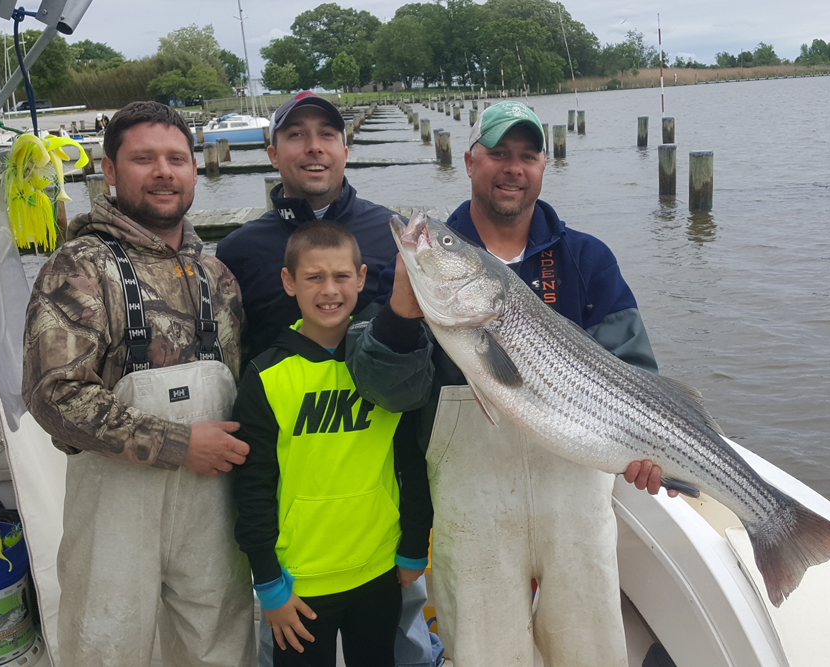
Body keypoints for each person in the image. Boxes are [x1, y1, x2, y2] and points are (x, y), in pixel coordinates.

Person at [346, 101, 675, 667]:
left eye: (527, 155)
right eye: (498, 153)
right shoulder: (414, 269)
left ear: (544, 167)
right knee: (483, 651)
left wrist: (645, 451)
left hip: (575, 483)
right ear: (470, 162)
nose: (512, 167)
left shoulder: (586, 259)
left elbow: (636, 371)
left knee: (589, 647)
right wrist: (401, 313)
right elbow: (388, 395)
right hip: (468, 494)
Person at [22, 101, 255, 666]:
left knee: (219, 646)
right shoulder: (77, 267)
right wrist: (179, 444)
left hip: (212, 508)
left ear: (194, 170)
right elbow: (54, 396)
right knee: (106, 646)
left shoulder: (217, 276)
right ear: (109, 170)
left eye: (177, 158)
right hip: (115, 510)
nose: (163, 172)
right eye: (144, 158)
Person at [216, 91, 445, 667]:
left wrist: (415, 533)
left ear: (346, 149)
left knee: (400, 643)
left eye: (327, 135)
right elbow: (231, 363)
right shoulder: (238, 252)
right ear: (272, 152)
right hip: (298, 505)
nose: (313, 147)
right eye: (296, 135)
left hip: (380, 492)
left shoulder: (399, 236)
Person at [232, 222, 431, 667]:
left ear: (361, 278)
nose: (329, 290)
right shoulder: (265, 377)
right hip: (299, 584)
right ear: (289, 283)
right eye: (314, 277)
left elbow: (411, 462)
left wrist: (414, 546)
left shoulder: (388, 367)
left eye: (341, 277)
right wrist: (267, 581)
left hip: (379, 571)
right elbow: (253, 487)